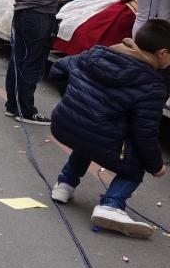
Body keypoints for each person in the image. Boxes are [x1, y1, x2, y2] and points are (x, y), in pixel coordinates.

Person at [48, 19, 170, 237]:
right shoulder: (153, 85)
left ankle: (64, 185)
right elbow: (145, 133)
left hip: (65, 126)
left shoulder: (97, 54)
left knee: (90, 139)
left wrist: (74, 101)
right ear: (162, 53)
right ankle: (112, 205)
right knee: (136, 164)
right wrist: (155, 165)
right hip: (98, 136)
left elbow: (58, 69)